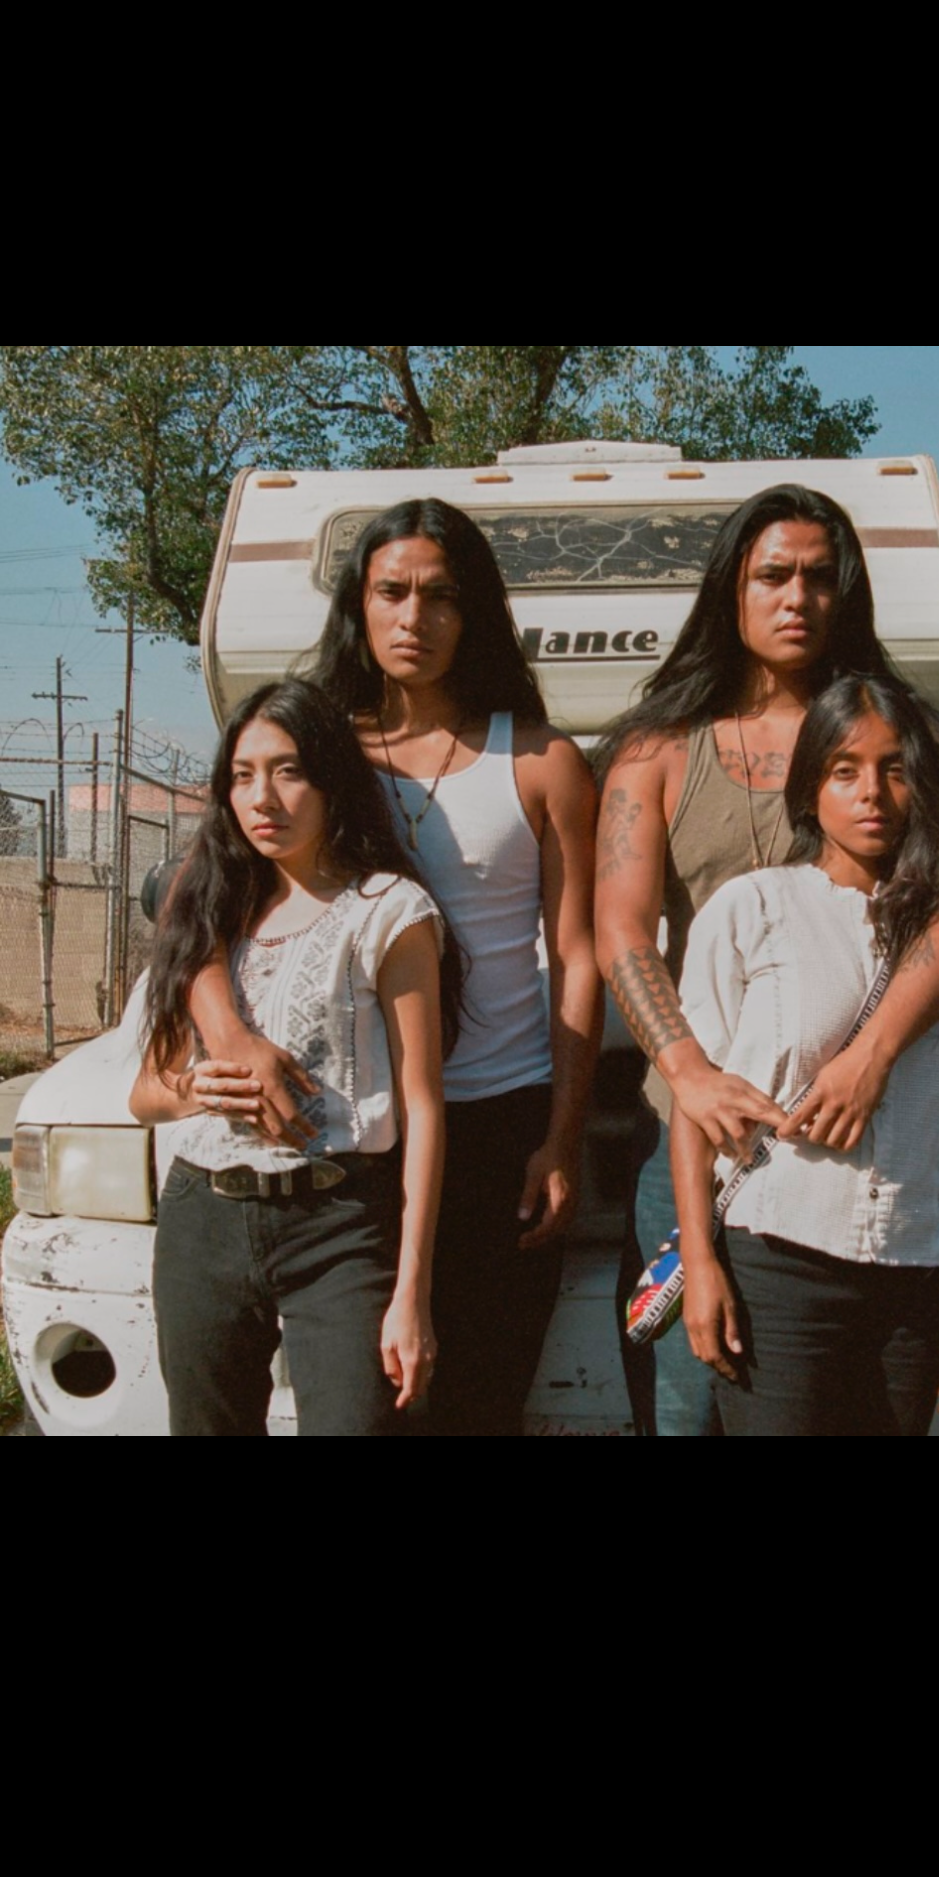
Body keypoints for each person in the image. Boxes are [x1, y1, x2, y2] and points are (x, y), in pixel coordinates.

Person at [190, 499, 603, 1437]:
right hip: (352, 1132)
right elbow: (199, 907)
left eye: (441, 596)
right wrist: (232, 1037)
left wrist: (562, 1137)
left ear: (476, 611)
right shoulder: (312, 755)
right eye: (392, 592)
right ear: (359, 606)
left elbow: (579, 959)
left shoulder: (541, 761)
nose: (414, 618)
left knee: (483, 1402)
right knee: (374, 1410)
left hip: (500, 1119)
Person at [593, 483, 939, 1437]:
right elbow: (617, 932)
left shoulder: (906, 741)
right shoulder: (657, 750)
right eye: (772, 574)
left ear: (847, 594)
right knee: (687, 1411)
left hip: (879, 1159)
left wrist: (873, 1054)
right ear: (731, 591)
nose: (797, 596)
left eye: (821, 577)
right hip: (709, 1155)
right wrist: (689, 1076)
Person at [669, 675, 939, 1434]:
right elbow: (697, 1112)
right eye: (845, 770)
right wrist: (701, 1265)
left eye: (895, 770)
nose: (873, 793)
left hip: (912, 1278)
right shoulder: (754, 910)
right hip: (777, 1268)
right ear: (810, 788)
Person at [130, 680, 457, 1438]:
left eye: (288, 770)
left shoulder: (389, 911)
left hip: (341, 1222)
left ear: (333, 781)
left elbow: (424, 1105)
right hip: (202, 1220)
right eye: (243, 775)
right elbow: (146, 1092)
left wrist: (413, 1290)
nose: (262, 797)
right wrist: (201, 1088)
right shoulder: (212, 917)